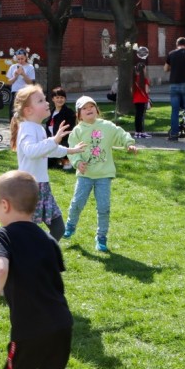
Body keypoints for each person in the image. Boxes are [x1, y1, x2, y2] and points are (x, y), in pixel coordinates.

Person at [0, 170, 73, 369]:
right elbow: (36, 275)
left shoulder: (3, 235)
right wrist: (4, 277)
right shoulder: (48, 239)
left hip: (31, 328)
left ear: (4, 205)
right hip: (62, 323)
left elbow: (1, 269)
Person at [10, 84, 84, 242]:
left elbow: (48, 150)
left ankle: (41, 253)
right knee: (28, 232)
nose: (47, 102)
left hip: (43, 186)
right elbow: (31, 151)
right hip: (29, 188)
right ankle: (25, 253)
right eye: (41, 101)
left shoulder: (38, 128)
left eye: (44, 99)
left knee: (58, 228)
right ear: (28, 110)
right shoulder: (27, 128)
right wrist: (54, 140)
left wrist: (71, 150)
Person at [64, 96, 137, 252]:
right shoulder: (77, 131)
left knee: (104, 207)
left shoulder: (107, 126)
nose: (89, 109)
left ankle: (101, 237)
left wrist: (129, 144)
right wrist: (78, 162)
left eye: (91, 106)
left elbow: (120, 134)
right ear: (79, 115)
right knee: (77, 203)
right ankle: (70, 225)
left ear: (97, 110)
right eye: (84, 108)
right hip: (85, 175)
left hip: (104, 175)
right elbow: (72, 149)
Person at [43, 87, 76, 172]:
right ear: (53, 99)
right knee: (47, 165)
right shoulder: (51, 112)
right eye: (57, 97)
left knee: (64, 166)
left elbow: (69, 131)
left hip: (64, 142)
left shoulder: (69, 113)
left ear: (65, 99)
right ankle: (57, 160)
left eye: (62, 97)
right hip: (52, 142)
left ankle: (66, 160)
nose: (59, 100)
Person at [131, 60, 151, 138]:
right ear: (143, 70)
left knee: (137, 116)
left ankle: (137, 132)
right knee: (141, 116)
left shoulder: (134, 79)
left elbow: (131, 90)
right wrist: (149, 90)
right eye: (145, 69)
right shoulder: (144, 80)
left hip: (136, 99)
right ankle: (141, 131)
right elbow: (147, 90)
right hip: (142, 99)